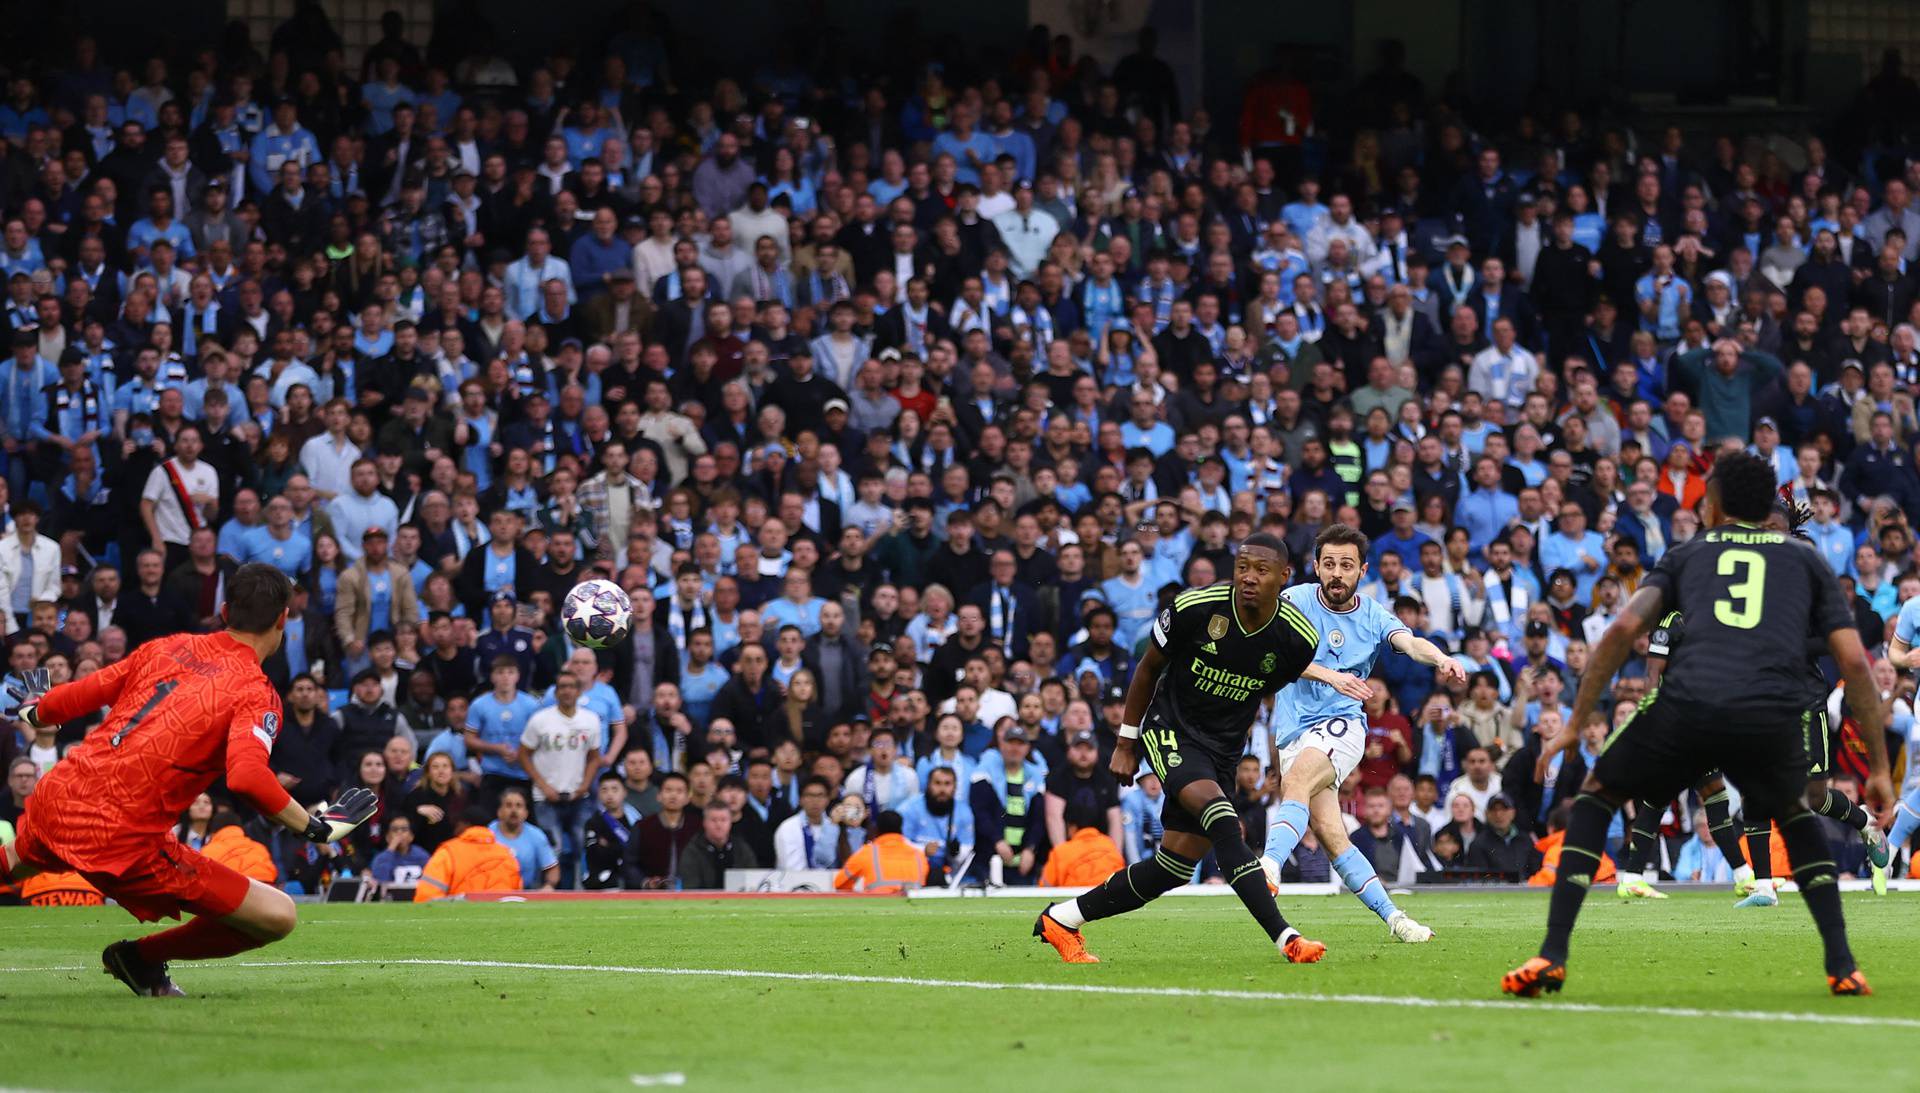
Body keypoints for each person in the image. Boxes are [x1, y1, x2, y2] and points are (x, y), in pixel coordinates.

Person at [1505, 451, 1891, 999]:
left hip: (1687, 703)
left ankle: (1552, 955)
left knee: (1596, 797)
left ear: (1713, 502)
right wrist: (1877, 765)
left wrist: (1575, 722)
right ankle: (1842, 965)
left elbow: (1621, 631)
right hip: (1768, 713)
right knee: (1797, 813)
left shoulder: (1686, 553)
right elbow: (1854, 663)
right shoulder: (1807, 560)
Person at [0, 563, 378, 995]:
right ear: (282, 620)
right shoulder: (256, 692)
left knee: (14, 860)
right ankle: (139, 958)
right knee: (278, 916)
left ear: (222, 610)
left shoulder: (168, 647)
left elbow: (84, 692)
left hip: (62, 793)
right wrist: (317, 827)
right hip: (119, 834)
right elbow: (248, 778)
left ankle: (139, 962)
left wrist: (34, 710)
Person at [1034, 533, 1331, 965]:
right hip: (1169, 729)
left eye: (1261, 571)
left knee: (1171, 868)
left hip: (1222, 752)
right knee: (1224, 822)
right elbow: (1148, 667)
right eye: (1242, 567)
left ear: (1284, 577)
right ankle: (1287, 938)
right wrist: (1125, 742)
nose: (1248, 578)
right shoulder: (1196, 607)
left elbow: (1263, 693)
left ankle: (1061, 919)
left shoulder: (1297, 639)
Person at [1258, 524, 1458, 942]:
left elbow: (1409, 642)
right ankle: (1397, 920)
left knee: (1295, 782)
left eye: (1346, 565)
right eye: (1328, 564)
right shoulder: (1293, 601)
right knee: (1334, 838)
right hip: (1293, 731)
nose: (1336, 573)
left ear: (1361, 571)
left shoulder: (1372, 614)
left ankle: (1269, 866)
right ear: (1315, 566)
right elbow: (1274, 657)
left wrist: (1439, 657)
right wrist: (1331, 675)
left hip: (1343, 725)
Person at [517, 670, 604, 888]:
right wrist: (543, 785)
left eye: (571, 686)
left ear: (578, 691)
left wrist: (584, 785)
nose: (566, 691)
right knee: (550, 847)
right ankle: (545, 890)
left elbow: (594, 757)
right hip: (545, 795)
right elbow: (523, 754)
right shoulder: (540, 720)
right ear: (555, 692)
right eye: (562, 687)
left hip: (579, 794)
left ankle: (582, 890)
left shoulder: (590, 720)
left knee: (582, 846)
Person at [414, 804, 524, 901]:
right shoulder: (507, 854)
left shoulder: (448, 852)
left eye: (457, 824)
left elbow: (426, 897)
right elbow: (516, 897)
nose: (455, 830)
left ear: (464, 824)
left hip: (458, 918)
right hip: (501, 918)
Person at [832, 809, 927, 891]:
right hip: (912, 907)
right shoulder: (919, 855)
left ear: (876, 829)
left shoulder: (867, 853)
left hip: (877, 906)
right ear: (901, 829)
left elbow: (840, 884)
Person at [1041, 801, 1126, 887]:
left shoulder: (1060, 852)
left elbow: (1044, 891)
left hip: (1077, 898)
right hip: (1111, 897)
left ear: (1072, 826)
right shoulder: (1110, 845)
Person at [489, 785, 558, 891]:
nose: (514, 810)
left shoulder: (536, 835)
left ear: (526, 813)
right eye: (508, 805)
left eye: (519, 806)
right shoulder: (488, 833)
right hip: (492, 890)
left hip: (527, 891)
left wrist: (549, 885)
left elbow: (552, 868)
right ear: (499, 812)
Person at [677, 800, 757, 890]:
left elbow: (752, 882)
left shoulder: (742, 849)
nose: (719, 825)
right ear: (704, 823)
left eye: (723, 820)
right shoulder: (692, 851)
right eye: (713, 820)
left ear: (730, 822)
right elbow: (691, 888)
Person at [368, 813, 429, 884]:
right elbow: (380, 881)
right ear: (387, 837)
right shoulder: (381, 859)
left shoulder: (422, 855)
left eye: (404, 829)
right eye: (394, 830)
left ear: (411, 836)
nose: (399, 833)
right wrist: (390, 849)